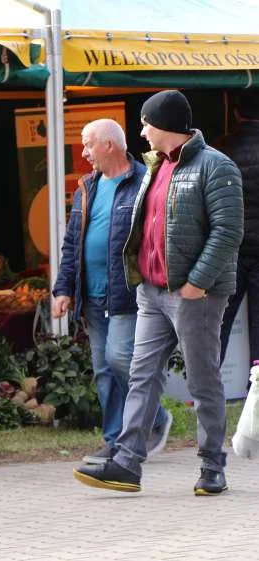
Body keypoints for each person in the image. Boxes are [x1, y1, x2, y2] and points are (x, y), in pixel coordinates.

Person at [74, 90, 244, 495]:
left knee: (203, 382)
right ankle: (127, 464)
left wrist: (197, 283)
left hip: (194, 295)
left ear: (163, 124)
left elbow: (227, 231)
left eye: (145, 123)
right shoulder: (156, 166)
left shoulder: (215, 167)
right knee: (141, 376)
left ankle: (211, 467)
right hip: (151, 292)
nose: (142, 131)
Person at [52, 118, 172, 466]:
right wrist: (63, 289)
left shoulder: (143, 183)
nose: (84, 152)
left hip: (129, 292)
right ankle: (117, 439)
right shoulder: (86, 188)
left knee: (121, 359)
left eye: (89, 144)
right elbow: (72, 243)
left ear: (109, 145)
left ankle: (149, 419)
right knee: (104, 368)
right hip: (92, 294)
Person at [214, 92, 259, 376]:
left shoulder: (220, 149)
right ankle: (256, 389)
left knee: (219, 320)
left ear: (236, 114)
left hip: (231, 249)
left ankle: (205, 387)